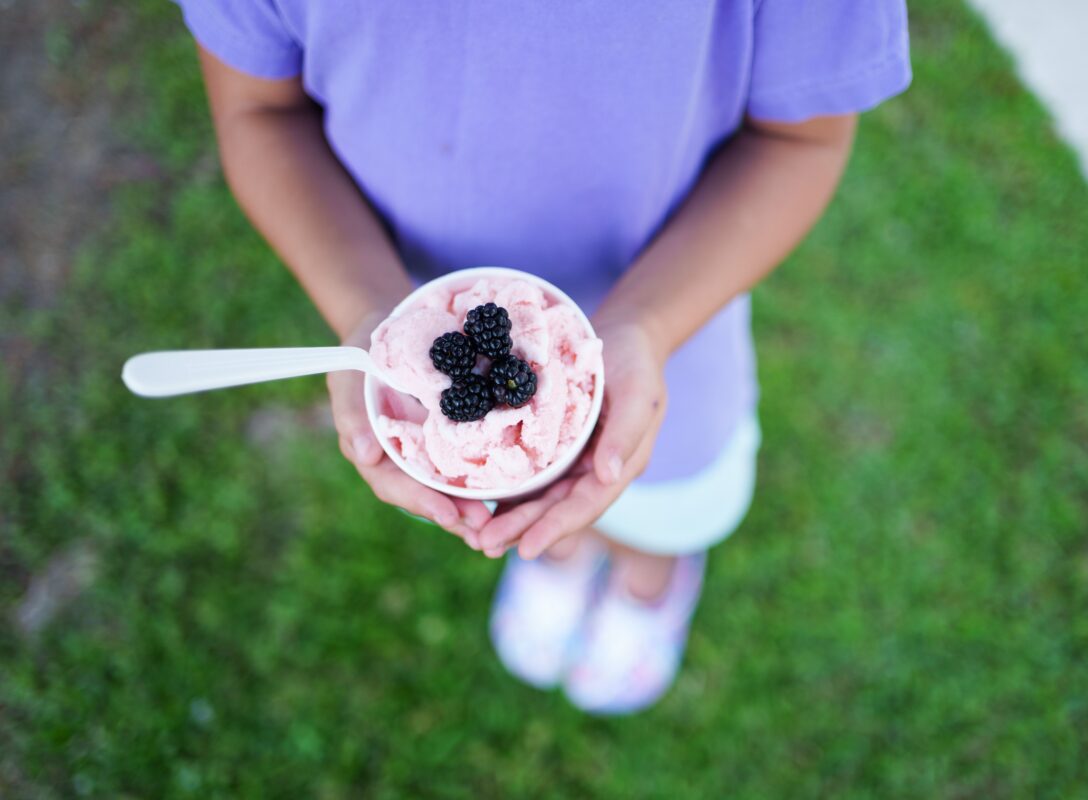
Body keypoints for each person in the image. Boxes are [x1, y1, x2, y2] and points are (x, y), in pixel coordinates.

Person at [176, 0, 911, 714]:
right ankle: (565, 551)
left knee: (660, 488)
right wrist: (364, 306)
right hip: (407, 286)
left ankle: (650, 566)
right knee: (554, 503)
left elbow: (801, 140)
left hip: (676, 300)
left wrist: (649, 326)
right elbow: (258, 111)